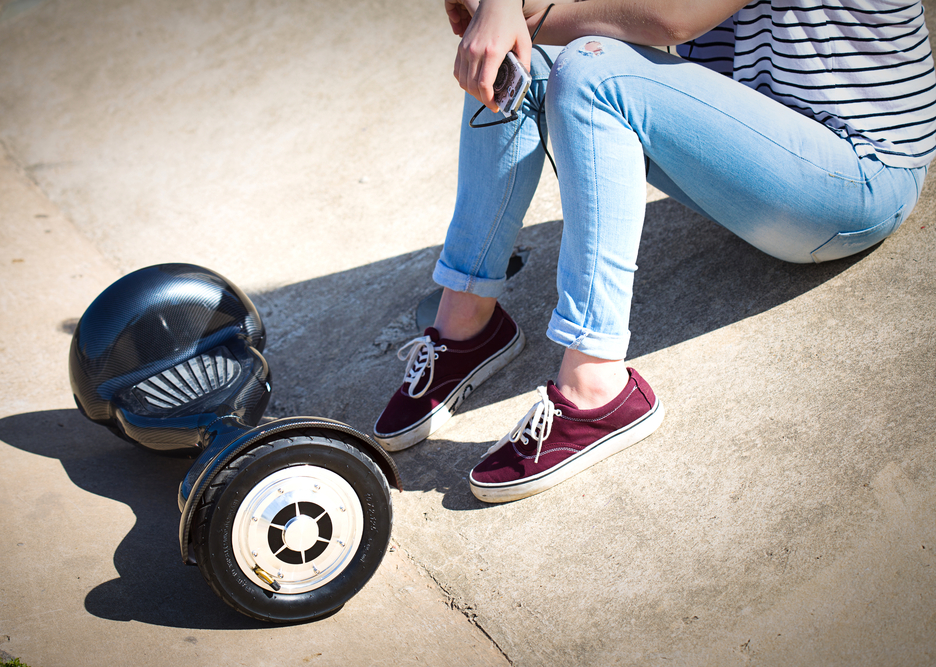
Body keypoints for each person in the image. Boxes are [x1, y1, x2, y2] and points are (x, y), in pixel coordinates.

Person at [374, 0, 936, 503]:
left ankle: (596, 390)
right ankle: (468, 324)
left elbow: (677, 16)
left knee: (587, 64)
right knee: (528, 58)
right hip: (750, 151)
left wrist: (519, 13)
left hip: (854, 177)